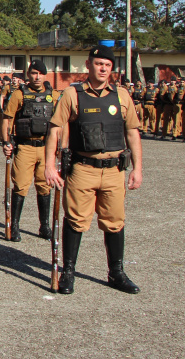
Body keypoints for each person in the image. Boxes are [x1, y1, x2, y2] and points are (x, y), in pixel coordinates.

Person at [44, 45, 143, 295]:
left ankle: (116, 273)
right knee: (76, 221)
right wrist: (49, 166)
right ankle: (68, 272)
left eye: (107, 65)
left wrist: (138, 169)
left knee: (115, 222)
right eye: (98, 64)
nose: (103, 68)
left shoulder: (121, 95)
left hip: (113, 170)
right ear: (88, 65)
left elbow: (132, 132)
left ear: (112, 68)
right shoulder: (72, 94)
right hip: (83, 169)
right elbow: (55, 129)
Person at [1, 60, 58, 241]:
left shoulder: (54, 95)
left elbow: (60, 123)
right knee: (21, 186)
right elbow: (6, 119)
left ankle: (44, 226)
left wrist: (61, 147)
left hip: (46, 148)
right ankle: (15, 226)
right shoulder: (19, 95)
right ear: (28, 74)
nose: (37, 76)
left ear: (45, 75)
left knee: (45, 186)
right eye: (33, 73)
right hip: (25, 146)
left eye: (40, 73)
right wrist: (5, 141)